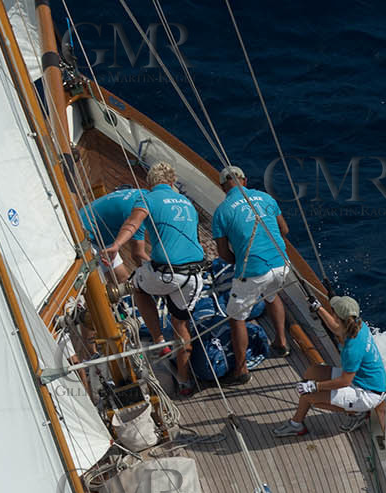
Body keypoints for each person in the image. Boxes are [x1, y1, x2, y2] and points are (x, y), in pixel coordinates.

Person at [102, 162, 205, 395]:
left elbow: (132, 224)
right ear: (172, 182)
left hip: (165, 274)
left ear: (150, 183)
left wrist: (116, 245)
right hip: (194, 276)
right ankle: (185, 381)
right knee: (181, 325)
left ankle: (159, 339)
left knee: (137, 286)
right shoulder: (188, 203)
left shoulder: (147, 198)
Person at [211, 166, 291, 385]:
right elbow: (284, 230)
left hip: (253, 271)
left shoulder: (222, 211)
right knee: (273, 296)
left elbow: (224, 255)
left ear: (222, 187)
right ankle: (282, 343)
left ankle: (241, 369)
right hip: (281, 265)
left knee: (237, 317)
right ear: (244, 180)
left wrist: (242, 259)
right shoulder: (265, 197)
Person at [275, 295, 386, 438]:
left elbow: (345, 381)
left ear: (338, 318)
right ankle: (352, 410)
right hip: (364, 379)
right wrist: (319, 308)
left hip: (367, 393)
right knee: (312, 371)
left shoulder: (351, 350)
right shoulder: (358, 325)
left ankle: (297, 425)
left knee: (309, 397)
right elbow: (336, 329)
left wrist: (315, 387)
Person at [78, 187, 141, 285]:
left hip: (101, 236)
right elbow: (137, 254)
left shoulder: (138, 195)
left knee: (122, 279)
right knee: (95, 283)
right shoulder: (137, 210)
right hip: (85, 234)